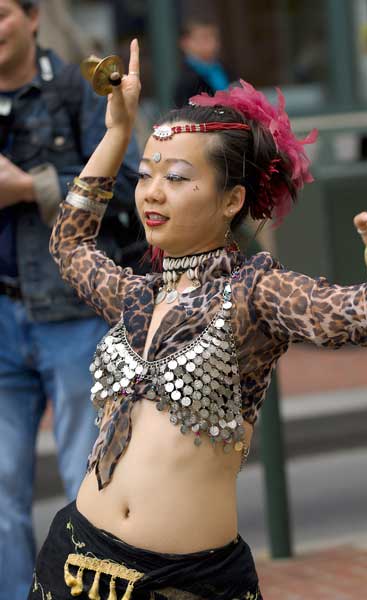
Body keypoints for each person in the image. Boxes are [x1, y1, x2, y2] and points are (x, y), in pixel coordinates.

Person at [29, 39, 367, 599]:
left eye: (177, 178)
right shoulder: (136, 295)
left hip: (185, 584)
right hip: (74, 563)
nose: (153, 192)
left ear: (231, 201)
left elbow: (352, 315)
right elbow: (70, 243)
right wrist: (115, 135)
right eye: (147, 175)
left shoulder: (254, 293)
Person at [0, 1, 143, 597]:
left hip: (73, 313)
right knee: (0, 492)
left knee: (89, 482)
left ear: (33, 19)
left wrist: (30, 186)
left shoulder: (82, 87)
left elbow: (134, 190)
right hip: (1, 318)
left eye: (1, 12)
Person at [174, 18, 235, 108]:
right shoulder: (186, 79)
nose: (211, 42)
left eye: (213, 36)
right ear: (185, 43)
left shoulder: (226, 68)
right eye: (204, 37)